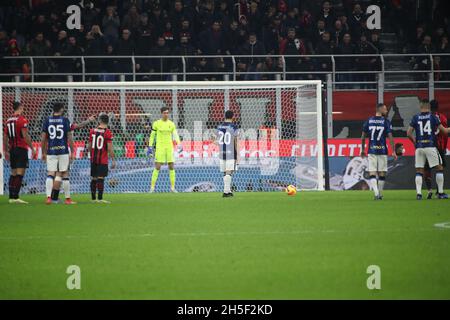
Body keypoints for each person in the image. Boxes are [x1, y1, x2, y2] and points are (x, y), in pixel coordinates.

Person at [407, 99, 450, 200]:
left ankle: (419, 194)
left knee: (419, 170)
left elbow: (408, 133)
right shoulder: (433, 117)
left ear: (420, 106)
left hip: (419, 147)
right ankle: (440, 193)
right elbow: (444, 131)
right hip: (430, 146)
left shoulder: (415, 117)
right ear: (429, 107)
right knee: (439, 168)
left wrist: (414, 142)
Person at [361, 103, 397, 200]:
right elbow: (390, 137)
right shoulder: (386, 122)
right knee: (382, 173)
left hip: (371, 150)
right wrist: (393, 151)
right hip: (382, 150)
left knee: (372, 172)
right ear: (380, 110)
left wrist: (362, 149)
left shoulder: (369, 121)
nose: (386, 111)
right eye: (385, 109)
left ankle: (376, 193)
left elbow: (363, 136)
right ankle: (379, 194)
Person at [41, 102, 75, 205]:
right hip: (63, 151)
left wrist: (43, 152)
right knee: (64, 173)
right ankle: (68, 199)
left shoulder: (47, 121)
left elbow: (43, 138)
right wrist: (72, 151)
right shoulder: (65, 120)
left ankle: (48, 198)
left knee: (50, 173)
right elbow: (69, 137)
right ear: (61, 109)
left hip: (51, 151)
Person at [3, 101, 36, 204]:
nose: (23, 109)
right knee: (20, 173)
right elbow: (25, 136)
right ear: (20, 107)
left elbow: (5, 137)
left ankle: (11, 197)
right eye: (22, 107)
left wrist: (6, 150)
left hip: (12, 149)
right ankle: (16, 197)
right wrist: (32, 148)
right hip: (21, 149)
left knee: (13, 173)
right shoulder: (22, 120)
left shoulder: (8, 121)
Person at [147, 107, 181, 193]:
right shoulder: (156, 123)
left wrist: (179, 144)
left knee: (171, 166)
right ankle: (152, 188)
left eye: (167, 113)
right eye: (165, 113)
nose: (166, 114)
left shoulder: (171, 124)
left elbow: (175, 134)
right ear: (161, 113)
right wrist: (150, 146)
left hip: (169, 147)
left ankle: (173, 188)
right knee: (157, 166)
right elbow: (152, 136)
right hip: (160, 147)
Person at [88, 113, 116, 203]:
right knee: (101, 178)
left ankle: (93, 199)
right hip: (102, 159)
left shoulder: (92, 131)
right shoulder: (107, 132)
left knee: (94, 178)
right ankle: (100, 199)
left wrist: (90, 154)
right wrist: (113, 160)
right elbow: (110, 148)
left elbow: (89, 145)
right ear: (108, 122)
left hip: (93, 158)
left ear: (99, 121)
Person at [423, 100, 448, 199]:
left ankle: (429, 191)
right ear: (438, 107)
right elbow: (445, 134)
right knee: (440, 168)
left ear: (429, 107)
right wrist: (445, 147)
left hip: (426, 145)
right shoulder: (441, 117)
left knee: (426, 169)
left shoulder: (423, 118)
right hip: (438, 145)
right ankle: (439, 192)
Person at [217, 110, 239, 197]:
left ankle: (228, 191)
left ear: (225, 116)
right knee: (229, 172)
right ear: (232, 117)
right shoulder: (234, 127)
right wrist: (237, 155)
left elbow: (219, 140)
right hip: (230, 152)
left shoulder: (219, 127)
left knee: (225, 172)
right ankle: (226, 192)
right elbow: (235, 141)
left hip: (222, 152)